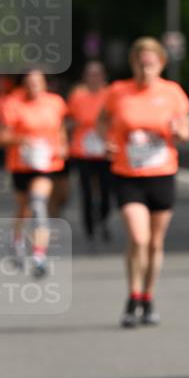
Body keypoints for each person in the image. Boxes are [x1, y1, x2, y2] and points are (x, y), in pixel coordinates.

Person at [100, 37, 189, 327]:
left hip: (162, 173)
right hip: (128, 174)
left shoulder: (172, 92)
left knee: (154, 243)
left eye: (150, 63)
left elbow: (185, 130)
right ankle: (133, 294)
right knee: (138, 238)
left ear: (161, 64)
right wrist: (106, 140)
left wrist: (179, 133)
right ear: (133, 64)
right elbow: (102, 121)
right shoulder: (118, 91)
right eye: (140, 63)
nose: (145, 68)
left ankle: (148, 297)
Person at [0, 69, 68, 277]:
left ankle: (39, 255)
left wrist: (62, 145)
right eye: (29, 83)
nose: (34, 86)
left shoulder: (55, 102)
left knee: (38, 204)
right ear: (23, 85)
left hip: (46, 163)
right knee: (23, 209)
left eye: (38, 82)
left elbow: (60, 127)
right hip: (20, 164)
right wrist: (21, 140)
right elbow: (1, 136)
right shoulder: (12, 104)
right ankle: (17, 241)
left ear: (45, 83)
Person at [67, 61, 111, 243]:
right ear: (85, 77)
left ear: (103, 76)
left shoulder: (110, 95)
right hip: (82, 150)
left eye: (97, 74)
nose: (94, 78)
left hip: (105, 150)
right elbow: (66, 120)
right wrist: (72, 126)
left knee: (106, 191)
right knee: (86, 191)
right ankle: (89, 228)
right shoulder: (77, 96)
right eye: (90, 74)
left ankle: (102, 218)